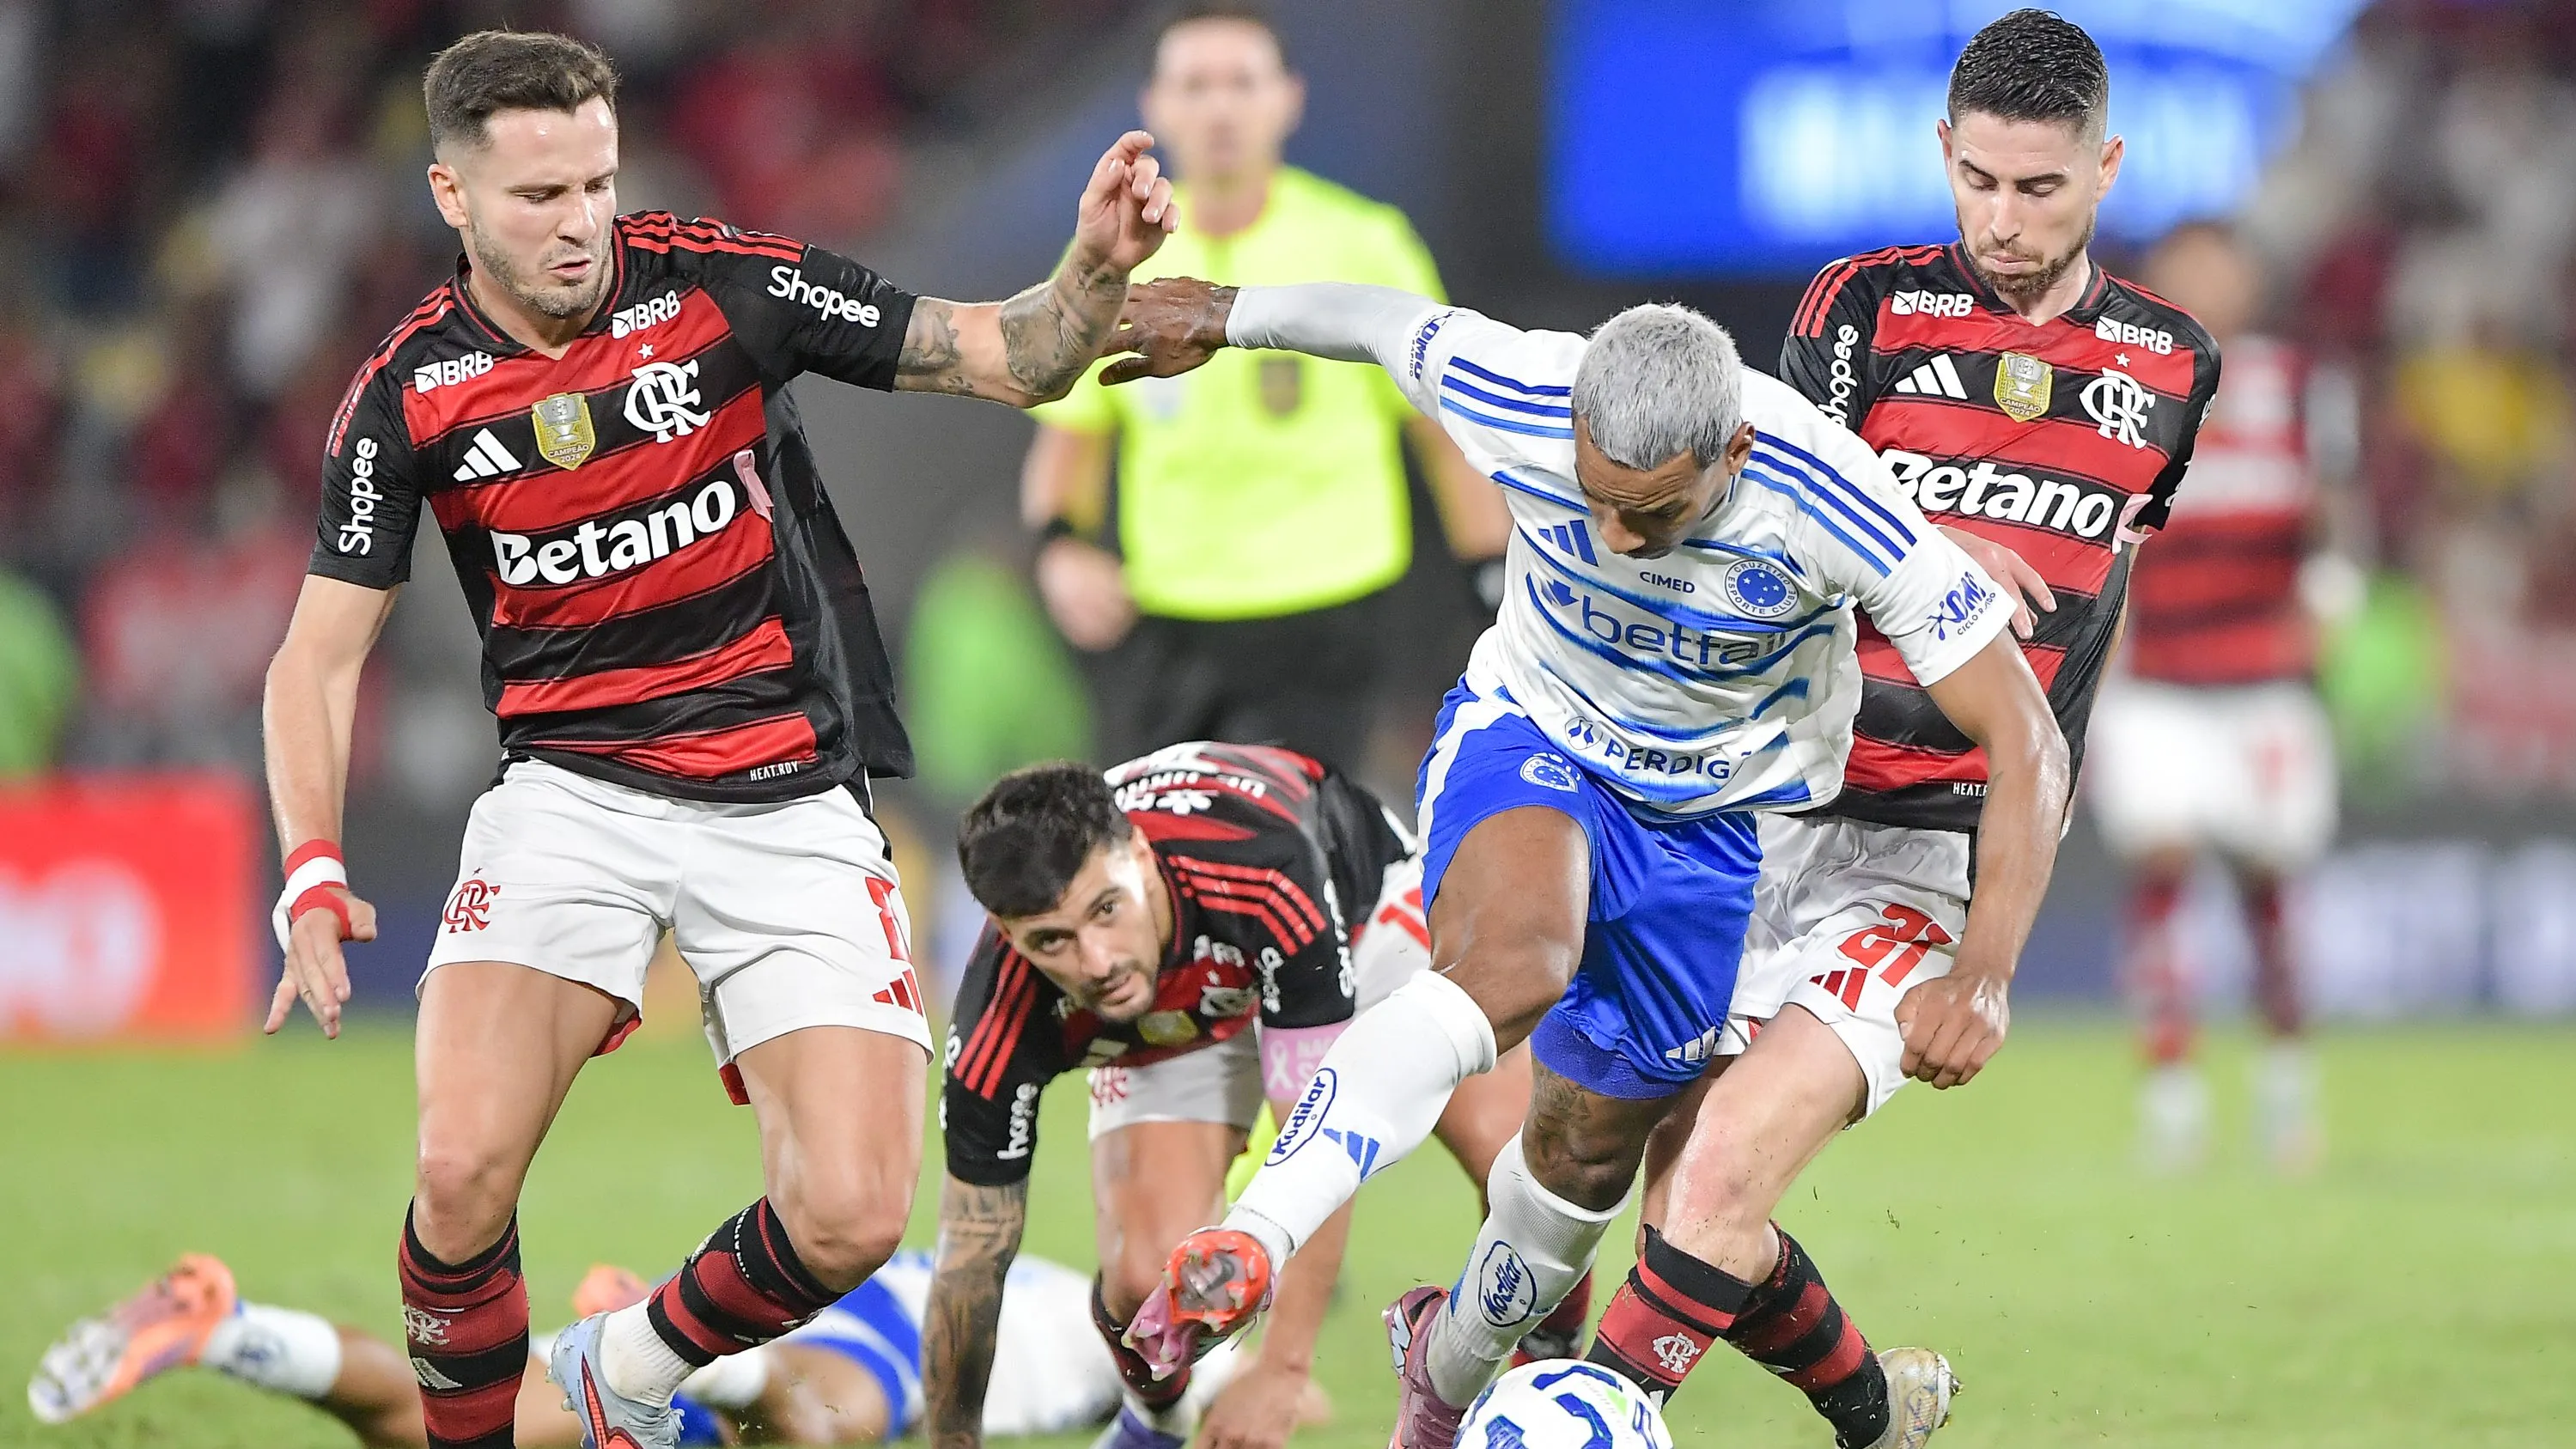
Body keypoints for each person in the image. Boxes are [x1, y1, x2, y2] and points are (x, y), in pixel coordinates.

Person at [257, 30, 1176, 1449]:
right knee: (456, 1175)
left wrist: (1095, 270)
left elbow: (1014, 356)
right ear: (451, 195)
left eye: (597, 185)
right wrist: (313, 869)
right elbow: (317, 661)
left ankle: (621, 1368)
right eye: (538, 196)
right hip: (568, 800)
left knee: (857, 1213)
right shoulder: (405, 394)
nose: (579, 224)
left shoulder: (724, 285)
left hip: (787, 799)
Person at [1097, 267, 2067, 1449]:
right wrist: (1223, 314)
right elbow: (1380, 321)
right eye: (1596, 497)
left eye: (1651, 512)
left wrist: (1987, 969)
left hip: (1716, 831)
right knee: (1515, 961)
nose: (1613, 534)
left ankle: (1440, 1388)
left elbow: (2026, 735)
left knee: (1579, 1165)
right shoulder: (1522, 387)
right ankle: (1257, 1229)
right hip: (1534, 734)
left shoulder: (1829, 496)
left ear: (1737, 450)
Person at [1574, 14, 2221, 1449]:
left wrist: (1989, 964)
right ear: (1944, 153)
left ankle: (1570, 1419)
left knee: (1718, 1179)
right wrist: (1916, 552)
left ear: (2107, 168)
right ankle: (1877, 1412)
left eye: (2040, 188)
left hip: (1933, 848)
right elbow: (1760, 533)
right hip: (1766, 802)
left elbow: (2078, 650)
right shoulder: (1856, 313)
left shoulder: (2173, 365)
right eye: (1979, 180)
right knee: (1669, 1198)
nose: (2003, 218)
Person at [922, 743, 1562, 1449]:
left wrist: (1282, 1371)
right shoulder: (998, 1015)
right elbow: (971, 1261)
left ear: (1137, 854)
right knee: (1141, 1283)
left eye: (1106, 909)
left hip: (1357, 922)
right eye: (1052, 941)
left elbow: (1325, 1129)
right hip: (1181, 1007)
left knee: (1524, 1161)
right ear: (1008, 935)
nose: (1095, 961)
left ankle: (1550, 1377)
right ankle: (1155, 1422)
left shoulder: (1261, 870)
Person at [1023, 2, 1507, 771]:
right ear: (1154, 105)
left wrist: (1492, 573)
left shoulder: (1363, 243)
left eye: (1243, 82)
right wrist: (1060, 548)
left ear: (1289, 98)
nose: (1220, 107)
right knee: (1165, 862)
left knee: (1304, 856)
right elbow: (1072, 432)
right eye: (1196, 83)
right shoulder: (1111, 255)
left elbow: (1442, 428)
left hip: (1328, 613)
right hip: (1169, 618)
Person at [2088, 220, 2343, 1172]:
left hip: (2266, 679)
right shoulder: (2124, 386)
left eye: (2219, 267)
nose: (2205, 284)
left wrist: (2331, 600)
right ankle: (2173, 1094)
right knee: (2162, 861)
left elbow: (2334, 520)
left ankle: (2286, 1085)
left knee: (2270, 878)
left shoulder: (2302, 386)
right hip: (2157, 683)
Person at [29, 1251, 1125, 1446]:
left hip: (773, 1290)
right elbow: (1191, 1394)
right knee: (827, 1424)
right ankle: (703, 1354)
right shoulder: (1115, 1330)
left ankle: (221, 1324)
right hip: (879, 1325)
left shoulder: (1074, 1285)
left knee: (449, 1424)